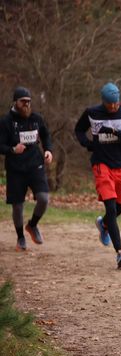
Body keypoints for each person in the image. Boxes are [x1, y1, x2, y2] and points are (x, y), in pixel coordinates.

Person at [75, 82, 121, 268]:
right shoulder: (92, 113)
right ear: (103, 101)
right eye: (110, 104)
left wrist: (115, 131)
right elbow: (79, 129)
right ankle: (120, 253)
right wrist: (88, 144)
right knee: (111, 209)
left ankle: (103, 225)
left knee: (117, 210)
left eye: (116, 103)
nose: (113, 107)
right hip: (101, 164)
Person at [0, 87, 53, 251]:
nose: (26, 105)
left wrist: (48, 150)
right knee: (17, 206)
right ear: (15, 102)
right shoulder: (5, 121)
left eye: (29, 102)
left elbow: (45, 135)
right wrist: (12, 150)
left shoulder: (36, 118)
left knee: (44, 199)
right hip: (15, 168)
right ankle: (20, 238)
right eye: (23, 102)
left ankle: (32, 225)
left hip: (35, 164)